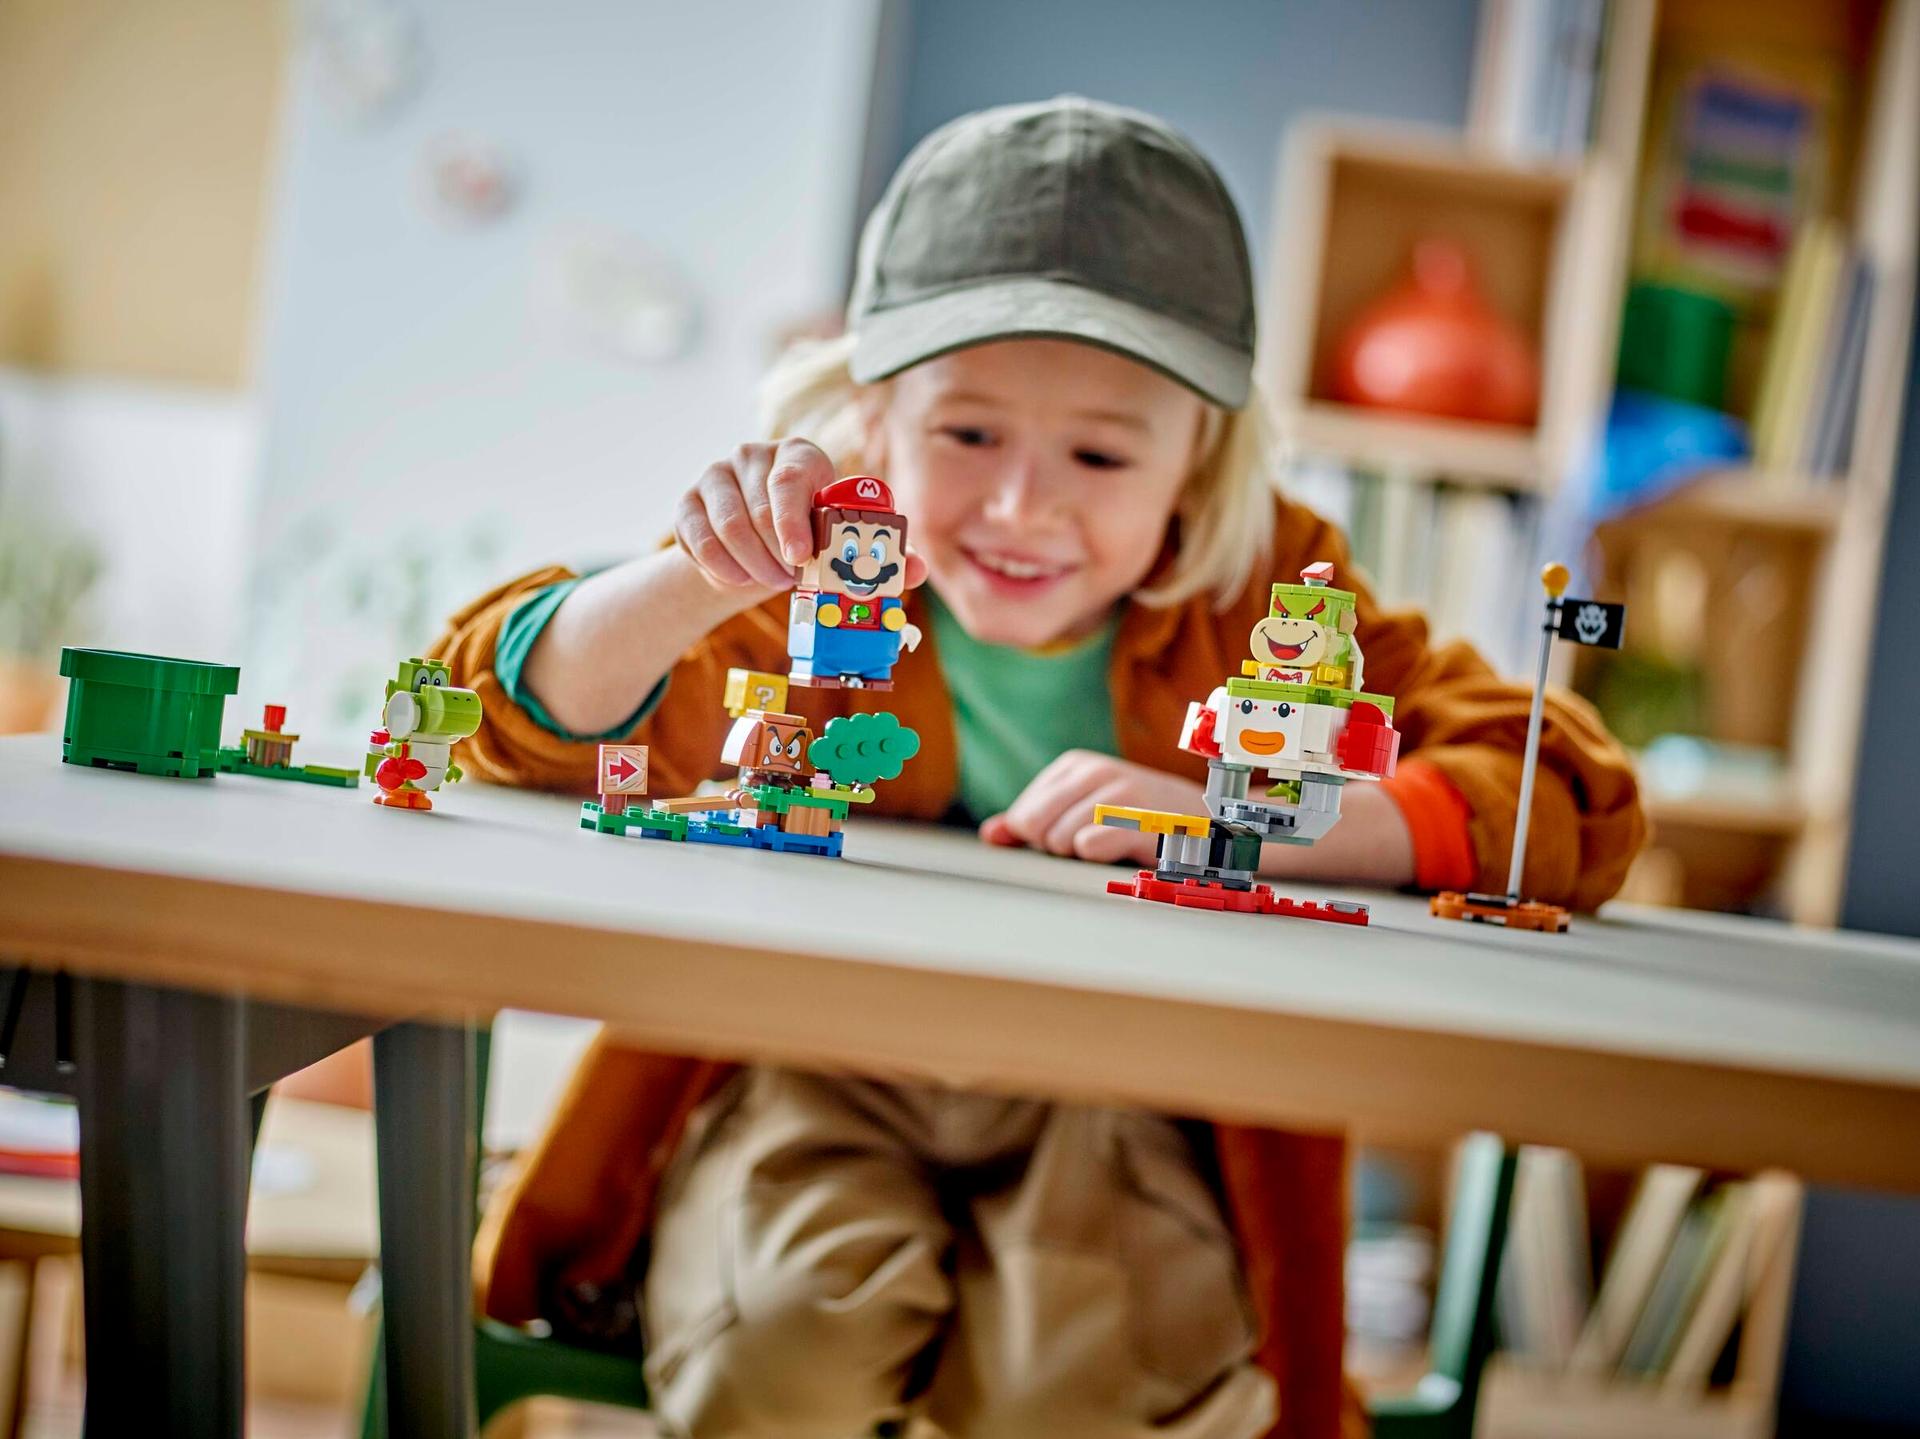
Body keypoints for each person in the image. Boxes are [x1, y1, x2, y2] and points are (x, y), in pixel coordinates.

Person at [435, 97, 1644, 1439]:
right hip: (808, 1064)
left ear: (1199, 460)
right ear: (872, 419)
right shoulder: (824, 565)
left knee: (1080, 1385)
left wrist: (1244, 817)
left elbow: (1569, 793)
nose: (1022, 507)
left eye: (1101, 452)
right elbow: (487, 709)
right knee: (778, 1350)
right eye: (967, 435)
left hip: (1132, 1098)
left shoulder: (1271, 594)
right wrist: (694, 580)